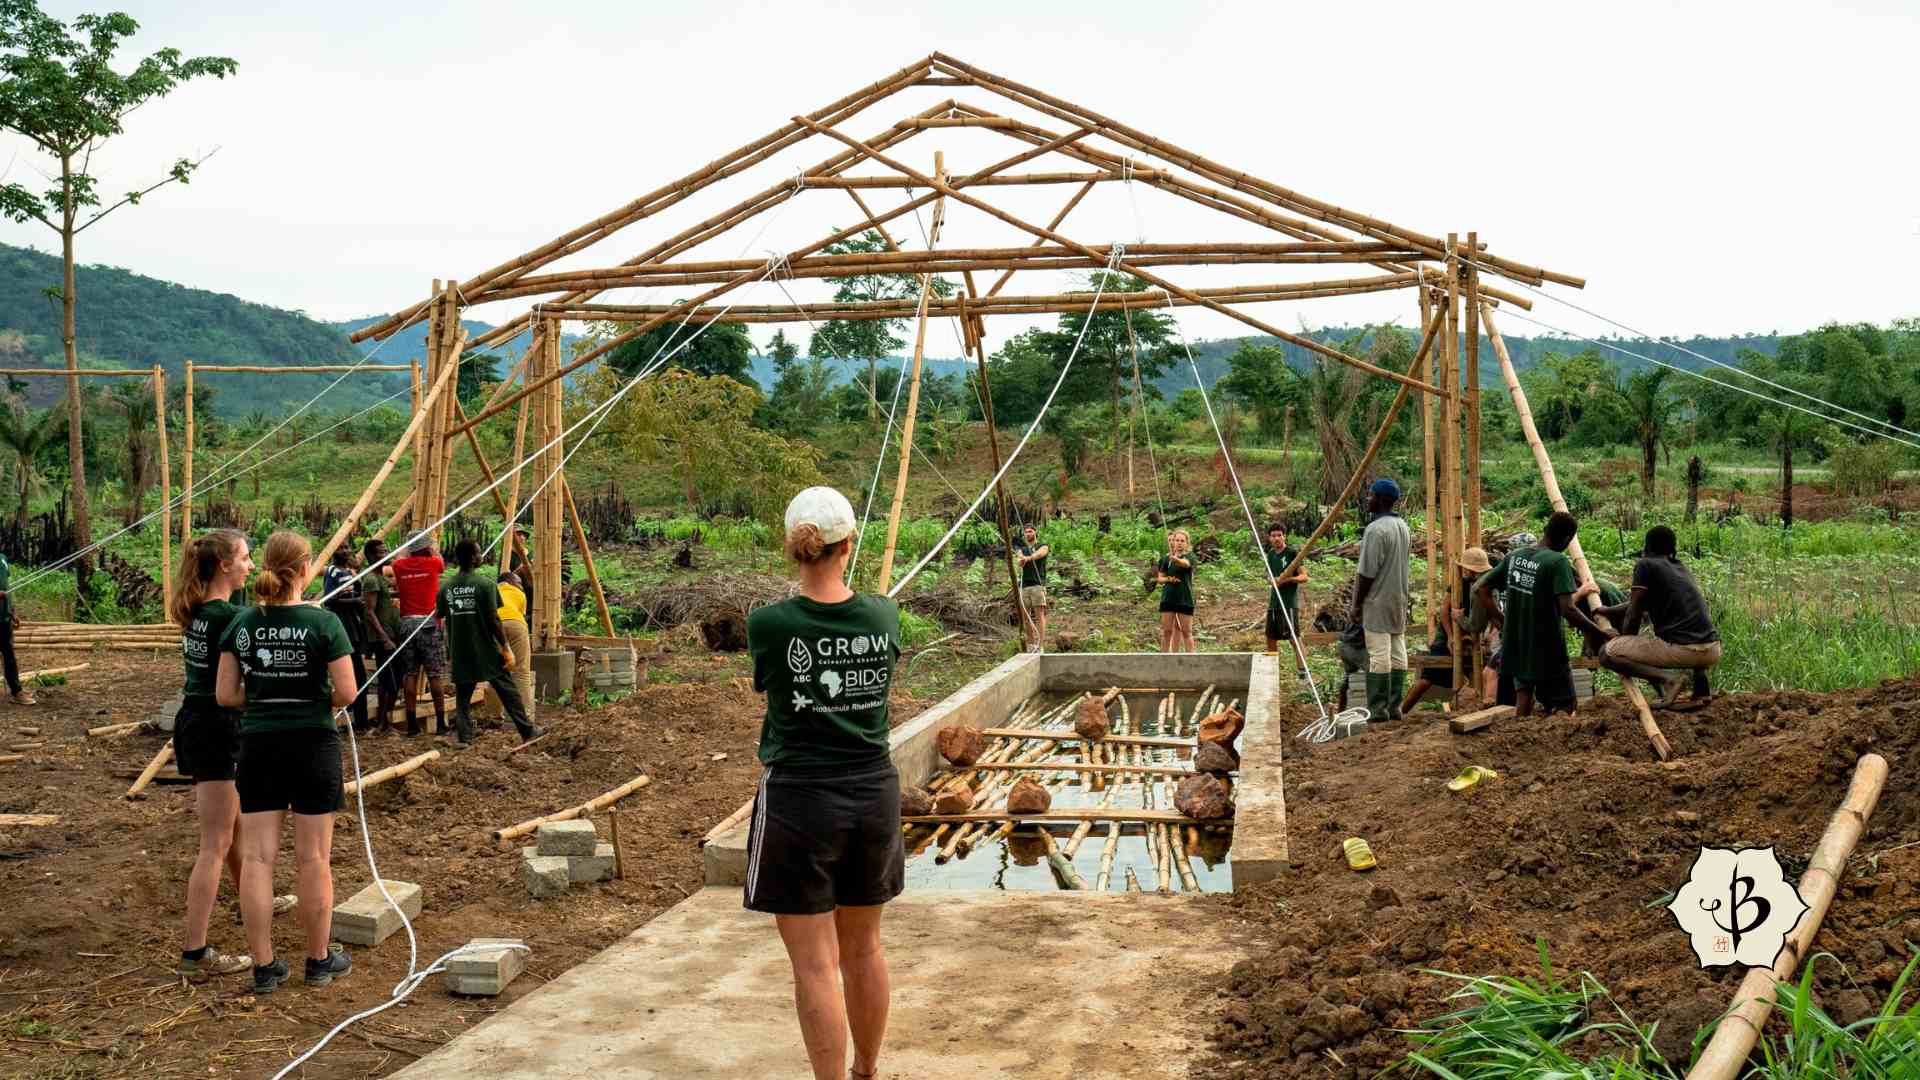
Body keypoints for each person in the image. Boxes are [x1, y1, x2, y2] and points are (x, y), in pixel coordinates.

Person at [744, 486, 904, 1080]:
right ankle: (867, 1071)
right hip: (873, 793)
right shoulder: (883, 614)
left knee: (814, 965)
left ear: (794, 548)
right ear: (848, 544)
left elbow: (769, 684)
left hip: (799, 800)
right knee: (865, 949)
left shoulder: (769, 624)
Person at [215, 530, 357, 994]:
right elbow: (347, 693)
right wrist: (308, 697)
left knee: (256, 858)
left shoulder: (240, 623)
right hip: (313, 743)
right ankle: (318, 960)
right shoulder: (325, 623)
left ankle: (264, 966)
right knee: (314, 858)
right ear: (305, 568)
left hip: (259, 744)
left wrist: (264, 696)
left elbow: (225, 694)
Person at [170, 528, 255, 977]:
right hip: (216, 728)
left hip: (198, 723)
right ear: (224, 565)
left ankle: (252, 900)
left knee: (233, 829)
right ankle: (195, 953)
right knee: (215, 843)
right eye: (244, 557)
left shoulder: (203, 611)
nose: (250, 565)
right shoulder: (229, 618)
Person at [1476, 512, 1615, 718]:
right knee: (1565, 706)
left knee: (1523, 695)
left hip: (1517, 646)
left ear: (1544, 530)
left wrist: (1503, 622)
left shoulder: (1515, 557)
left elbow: (1481, 589)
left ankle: (1518, 742)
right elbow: (1568, 609)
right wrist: (1600, 633)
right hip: (1547, 650)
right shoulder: (1557, 562)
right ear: (1567, 540)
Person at [1594, 524, 1723, 707]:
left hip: (1683, 651)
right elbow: (1642, 602)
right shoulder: (1680, 568)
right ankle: (1702, 691)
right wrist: (1608, 610)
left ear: (1647, 546)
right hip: (1712, 651)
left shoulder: (1645, 565)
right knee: (1690, 629)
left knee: (1606, 654)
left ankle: (1669, 680)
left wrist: (1623, 642)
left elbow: (1634, 611)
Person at [435, 540, 539, 748]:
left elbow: (440, 616)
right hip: (484, 648)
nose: (481, 555)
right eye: (479, 552)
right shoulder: (485, 585)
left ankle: (464, 738)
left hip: (460, 649)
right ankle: (527, 730)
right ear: (473, 557)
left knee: (463, 696)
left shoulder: (446, 588)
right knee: (507, 689)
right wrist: (506, 648)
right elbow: (494, 619)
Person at [1348, 479, 1412, 722]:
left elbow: (1366, 573)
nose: (1368, 499)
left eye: (1371, 495)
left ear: (1382, 500)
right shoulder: (1402, 526)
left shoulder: (1375, 530)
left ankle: (1378, 710)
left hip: (1377, 601)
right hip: (1399, 599)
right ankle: (1395, 707)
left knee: (1378, 655)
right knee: (1398, 650)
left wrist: (1356, 604)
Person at [1400, 547, 1492, 715]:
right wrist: (1450, 637)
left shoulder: (1484, 585)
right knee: (1426, 680)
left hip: (1472, 638)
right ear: (1466, 568)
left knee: (1476, 676)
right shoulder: (1458, 585)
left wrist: (1485, 636)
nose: (1475, 574)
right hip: (1447, 636)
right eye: (1473, 571)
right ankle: (1401, 712)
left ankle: (1470, 711)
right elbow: (1444, 611)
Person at [391, 540, 449, 736]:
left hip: (407, 623)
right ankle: (441, 723)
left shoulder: (399, 566)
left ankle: (412, 725)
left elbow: (396, 558)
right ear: (426, 547)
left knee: (410, 674)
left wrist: (406, 550)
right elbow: (441, 561)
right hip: (429, 623)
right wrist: (433, 549)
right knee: (435, 674)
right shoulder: (434, 562)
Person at [320, 547, 374, 734]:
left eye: (346, 547)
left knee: (357, 674)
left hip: (352, 626)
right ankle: (360, 721)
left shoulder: (348, 572)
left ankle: (359, 718)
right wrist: (356, 601)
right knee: (356, 675)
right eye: (341, 547)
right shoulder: (332, 571)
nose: (344, 550)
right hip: (342, 626)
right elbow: (330, 600)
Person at [360, 539, 403, 735]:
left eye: (386, 551)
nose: (385, 555)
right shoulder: (371, 579)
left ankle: (384, 722)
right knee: (389, 682)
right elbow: (369, 611)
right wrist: (384, 638)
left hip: (391, 634)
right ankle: (382, 724)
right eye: (380, 552)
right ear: (370, 556)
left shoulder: (380, 578)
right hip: (382, 638)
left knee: (392, 680)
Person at [1263, 523, 1308, 671]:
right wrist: (1272, 580)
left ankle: (1303, 670)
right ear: (1269, 538)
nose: (1276, 538)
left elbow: (1304, 576)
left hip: (1288, 603)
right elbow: (1268, 575)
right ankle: (1271, 669)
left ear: (1284, 536)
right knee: (1270, 637)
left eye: (1279, 535)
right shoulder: (1270, 554)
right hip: (1274, 602)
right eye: (1273, 535)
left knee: (1294, 638)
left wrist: (1288, 580)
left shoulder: (1292, 553)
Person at [497, 570, 535, 728]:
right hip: (516, 624)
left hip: (495, 625)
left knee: (495, 671)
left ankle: (494, 715)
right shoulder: (520, 594)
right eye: (518, 582)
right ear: (510, 581)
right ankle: (524, 715)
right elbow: (520, 615)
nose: (521, 585)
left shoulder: (493, 590)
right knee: (521, 671)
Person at [0, 549, 32, 706]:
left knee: (9, 656)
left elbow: (7, 587)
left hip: (3, 618)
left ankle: (16, 691)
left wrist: (12, 611)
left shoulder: (3, 559)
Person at [1156, 528, 1196, 653]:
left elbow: (1186, 564)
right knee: (1166, 632)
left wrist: (1176, 560)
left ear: (1186, 543)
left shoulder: (1190, 556)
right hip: (1168, 598)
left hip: (1184, 598)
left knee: (1186, 632)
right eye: (1177, 540)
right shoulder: (1165, 559)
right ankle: (1164, 661)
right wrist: (1169, 579)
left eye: (1182, 541)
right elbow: (1160, 578)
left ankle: (1192, 662)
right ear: (1173, 542)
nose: (1179, 543)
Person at [1013, 525, 1050, 650]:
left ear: (1035, 532)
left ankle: (1041, 645)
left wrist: (1028, 558)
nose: (1028, 534)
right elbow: (1019, 556)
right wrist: (1021, 559)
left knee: (1039, 615)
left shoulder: (1042, 546)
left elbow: (1040, 554)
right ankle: (1031, 644)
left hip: (1037, 585)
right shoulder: (1022, 549)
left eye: (1030, 531)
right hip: (1024, 586)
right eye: (1026, 532)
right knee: (1025, 616)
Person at [1334, 619, 1368, 713]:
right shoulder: (1371, 606)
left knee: (1348, 676)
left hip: (1344, 644)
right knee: (1376, 676)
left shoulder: (1355, 605)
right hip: (1357, 646)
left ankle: (1340, 711)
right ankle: (1376, 714)